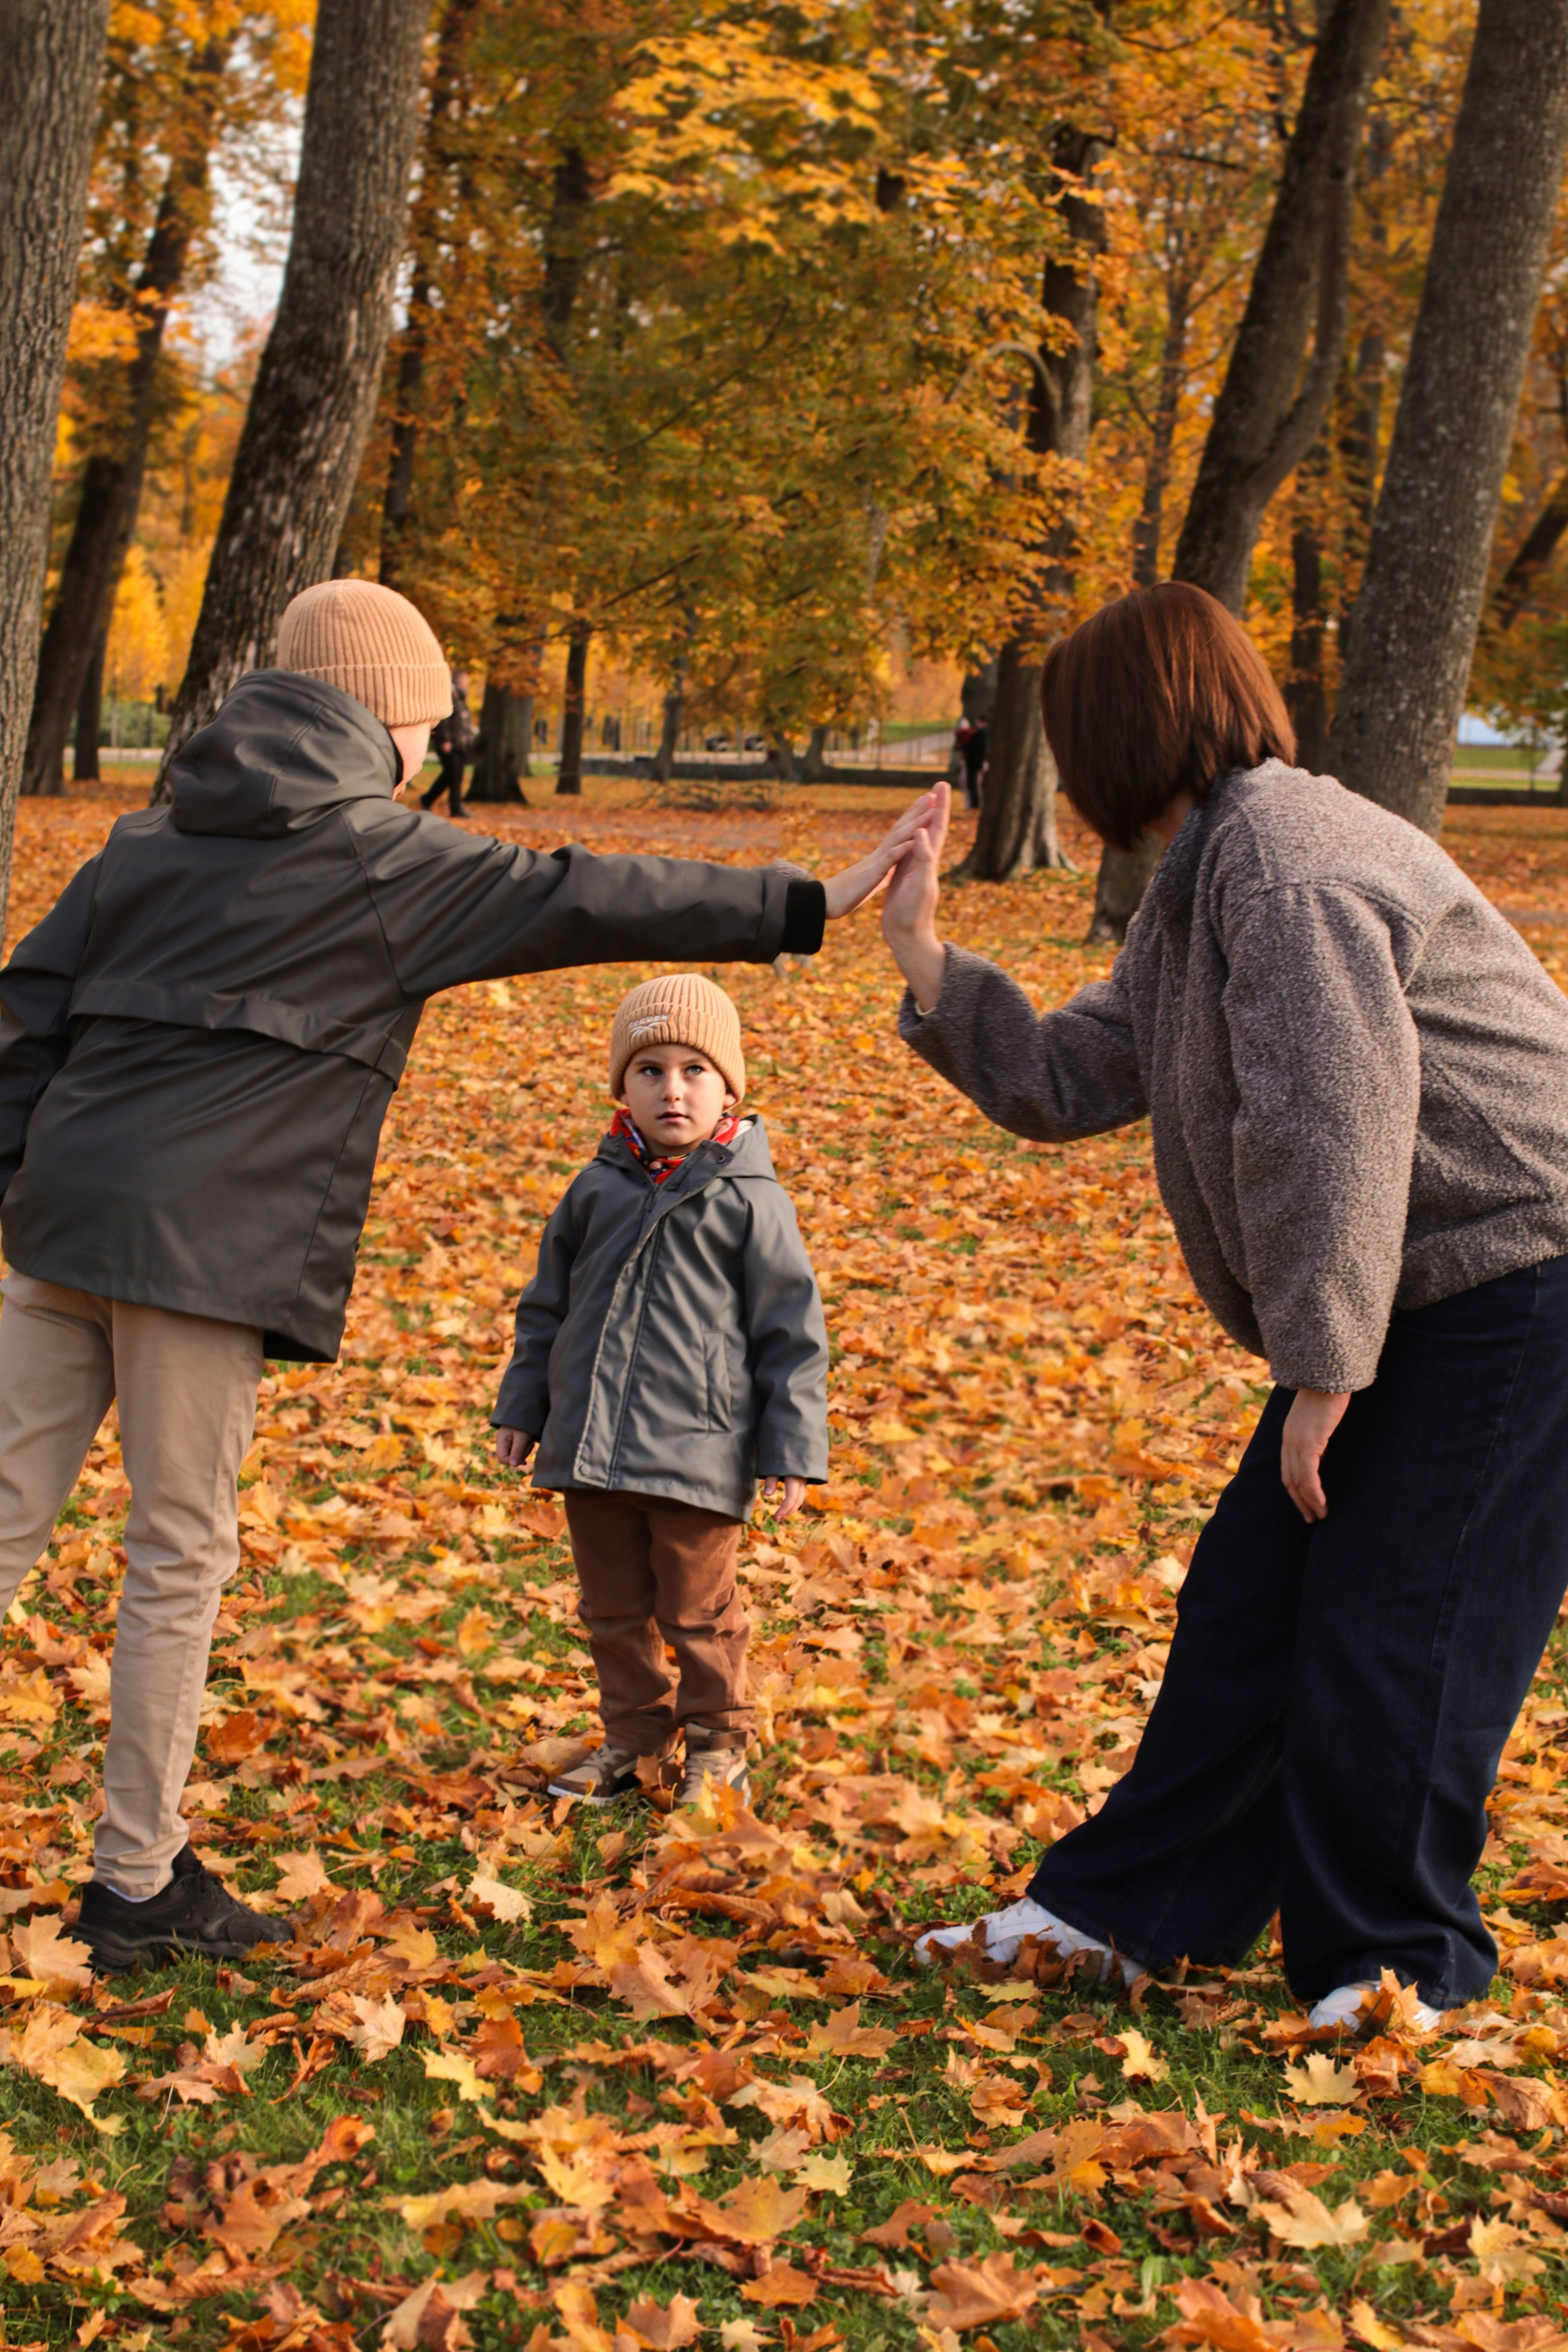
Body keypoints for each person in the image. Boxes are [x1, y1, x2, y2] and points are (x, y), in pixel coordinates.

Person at [0, 577, 928, 1972]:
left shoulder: (148, 836)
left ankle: (142, 1871)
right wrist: (811, 900)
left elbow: (24, 1013)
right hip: (194, 1257)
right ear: (385, 718)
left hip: (62, 1224)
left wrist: (25, 1176)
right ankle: (135, 1882)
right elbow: (582, 896)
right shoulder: (384, 858)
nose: (433, 753)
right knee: (174, 1557)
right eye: (428, 728)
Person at [880, 580, 1568, 2033]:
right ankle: (1117, 1913)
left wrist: (1323, 1372)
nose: (1059, 775)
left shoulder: (1286, 870)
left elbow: (1330, 1131)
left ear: (1122, 729)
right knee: (1249, 1601)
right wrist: (928, 961)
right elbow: (1075, 1070)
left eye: (1066, 738)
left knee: (1399, 1621)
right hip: (1408, 1282)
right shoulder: (1215, 870)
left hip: (1516, 1279)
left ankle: (1392, 1971)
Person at [491, 974, 827, 1809]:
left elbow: (791, 1334)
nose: (671, 1089)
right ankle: (633, 1737)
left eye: (692, 1070)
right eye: (649, 1070)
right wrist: (522, 1409)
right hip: (589, 1445)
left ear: (727, 1089)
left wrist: (791, 1449)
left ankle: (719, 1741)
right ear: (622, 1088)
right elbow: (546, 1311)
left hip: (697, 1450)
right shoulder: (594, 1190)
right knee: (612, 1609)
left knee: (699, 1612)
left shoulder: (751, 1201)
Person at [422, 667, 476, 817]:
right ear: (458, 680)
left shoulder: (461, 697)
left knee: (454, 777)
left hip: (460, 744)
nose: (466, 683)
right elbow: (444, 719)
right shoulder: (449, 696)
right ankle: (450, 805)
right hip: (450, 744)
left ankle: (447, 804)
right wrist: (444, 740)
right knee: (452, 776)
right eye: (464, 679)